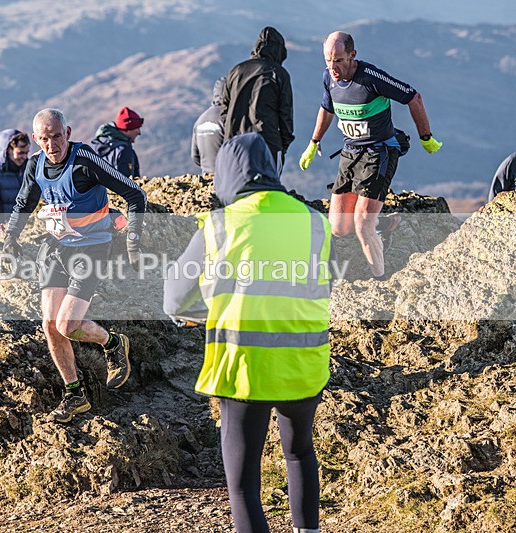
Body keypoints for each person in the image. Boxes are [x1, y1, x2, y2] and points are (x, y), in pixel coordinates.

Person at [164, 133, 332, 533]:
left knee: (243, 486)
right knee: (299, 454)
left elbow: (173, 300)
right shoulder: (315, 221)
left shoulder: (218, 226)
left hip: (244, 366)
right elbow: (318, 285)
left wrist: (211, 306)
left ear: (225, 173)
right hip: (304, 363)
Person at [3, 108, 146, 423]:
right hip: (55, 249)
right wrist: (11, 236)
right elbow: (24, 202)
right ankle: (74, 395)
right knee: (50, 325)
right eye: (44, 139)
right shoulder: (35, 165)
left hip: (91, 250)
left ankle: (113, 343)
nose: (52, 145)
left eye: (57, 136)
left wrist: (133, 237)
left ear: (67, 132)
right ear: (37, 140)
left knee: (68, 325)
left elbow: (135, 194)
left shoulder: (84, 160)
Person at [299, 31, 442, 278]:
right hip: (350, 153)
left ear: (352, 55)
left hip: (380, 151)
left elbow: (413, 97)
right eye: (327, 60)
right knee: (339, 228)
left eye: (339, 60)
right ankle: (385, 225)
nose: (332, 67)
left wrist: (426, 137)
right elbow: (327, 108)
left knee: (362, 224)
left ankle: (381, 279)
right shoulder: (329, 78)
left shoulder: (371, 77)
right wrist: (314, 142)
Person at [220, 26, 294, 173]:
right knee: (267, 190)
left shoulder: (235, 71)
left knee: (237, 189)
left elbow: (224, 112)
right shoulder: (278, 74)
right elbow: (285, 114)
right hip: (267, 144)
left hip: (234, 144)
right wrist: (282, 145)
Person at [90, 106, 143, 178]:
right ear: (127, 129)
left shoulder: (96, 145)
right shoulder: (124, 151)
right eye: (137, 128)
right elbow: (126, 184)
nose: (139, 133)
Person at [191, 77, 226, 174]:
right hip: (227, 178)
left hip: (207, 177)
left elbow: (195, 156)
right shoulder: (229, 117)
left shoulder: (200, 119)